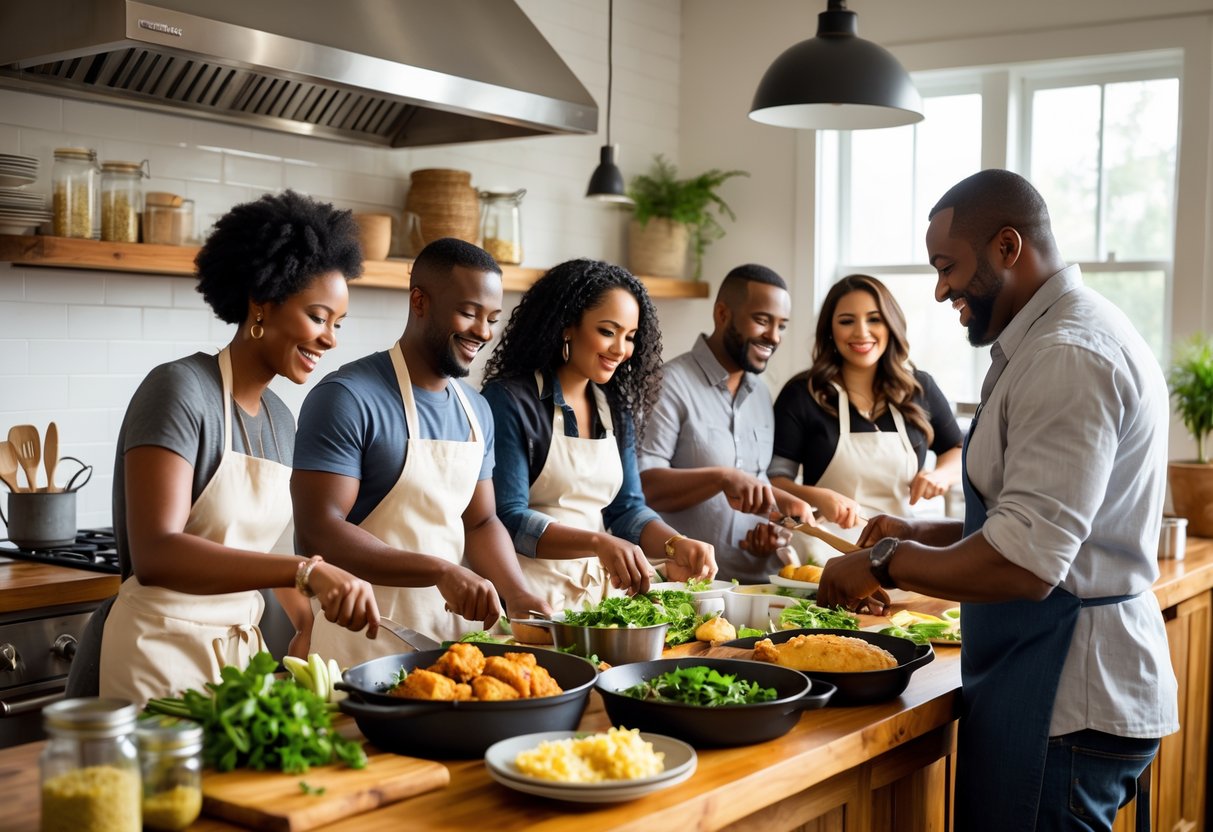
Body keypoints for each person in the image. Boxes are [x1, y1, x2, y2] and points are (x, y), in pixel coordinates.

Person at [816, 169, 1178, 831]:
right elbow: (1030, 516)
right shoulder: (1054, 337)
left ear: (1007, 247)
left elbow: (1026, 563)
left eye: (947, 266)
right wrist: (922, 532)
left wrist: (882, 563)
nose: (939, 288)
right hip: (1053, 684)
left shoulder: (1068, 355)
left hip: (1064, 695)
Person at [92, 190, 380, 705]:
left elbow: (262, 554)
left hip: (237, 666)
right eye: (318, 317)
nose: (330, 339)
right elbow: (157, 552)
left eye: (338, 324)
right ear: (261, 303)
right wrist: (308, 572)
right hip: (157, 657)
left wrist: (306, 616)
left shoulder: (280, 420)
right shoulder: (179, 388)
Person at [291, 237, 551, 664]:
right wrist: (440, 570)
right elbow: (318, 530)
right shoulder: (347, 397)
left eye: (491, 318)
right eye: (468, 313)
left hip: (456, 645)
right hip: (365, 644)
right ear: (419, 301)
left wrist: (518, 592)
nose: (483, 332)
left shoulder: (476, 411)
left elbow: (481, 520)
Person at [480, 258, 717, 612]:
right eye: (607, 331)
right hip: (528, 598)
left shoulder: (615, 409)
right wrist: (598, 542)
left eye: (630, 337)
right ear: (567, 327)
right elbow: (507, 517)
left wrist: (674, 542)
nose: (620, 349)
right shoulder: (510, 400)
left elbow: (626, 509)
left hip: (601, 599)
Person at [636, 263, 814, 584]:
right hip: (689, 589)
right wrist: (722, 477)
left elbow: (755, 485)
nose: (773, 336)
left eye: (782, 325)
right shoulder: (666, 384)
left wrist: (777, 528)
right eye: (762, 320)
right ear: (722, 314)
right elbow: (644, 487)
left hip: (761, 584)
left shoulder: (761, 391)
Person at [769, 274, 962, 561]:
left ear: (891, 323)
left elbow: (956, 449)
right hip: (825, 560)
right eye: (847, 321)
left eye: (874, 319)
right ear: (830, 330)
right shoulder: (803, 394)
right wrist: (816, 496)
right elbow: (773, 480)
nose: (861, 332)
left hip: (902, 558)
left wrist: (940, 475)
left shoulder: (919, 388)